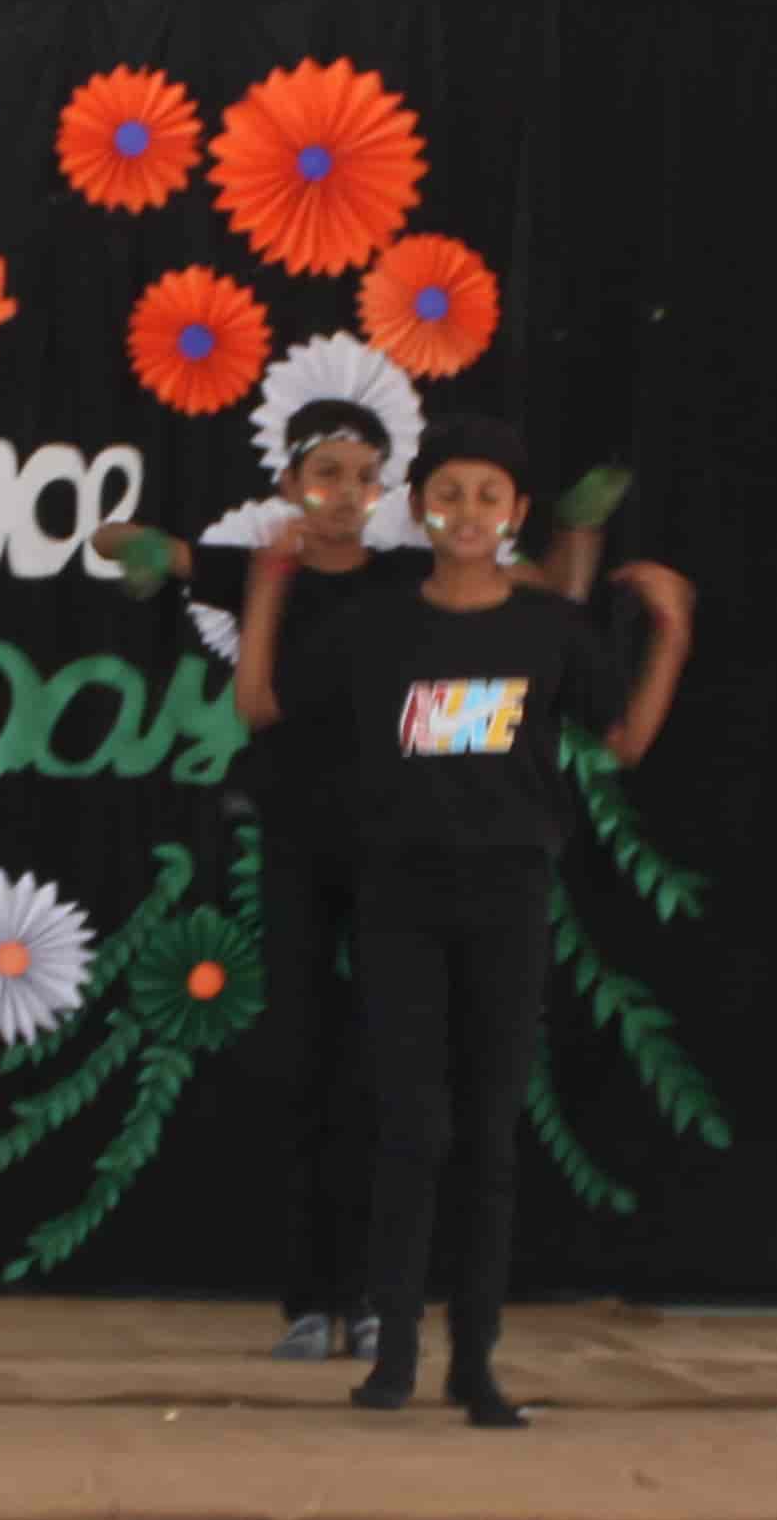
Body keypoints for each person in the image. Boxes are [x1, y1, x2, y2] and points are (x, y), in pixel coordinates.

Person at [98, 404, 605, 1367]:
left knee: (393, 1078)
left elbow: (547, 606)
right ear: (289, 483)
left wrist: (577, 534)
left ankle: (380, 1296)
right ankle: (309, 1298)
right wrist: (168, 557)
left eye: (363, 476)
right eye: (325, 474)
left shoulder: (409, 577)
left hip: (398, 849)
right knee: (307, 1065)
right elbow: (113, 540)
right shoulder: (262, 565)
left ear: (387, 494)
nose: (344, 494)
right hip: (302, 847)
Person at [235, 415, 690, 1426]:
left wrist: (672, 634)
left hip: (508, 899)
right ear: (418, 507)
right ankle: (394, 1352)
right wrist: (267, 588)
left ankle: (474, 1362)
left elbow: (622, 741)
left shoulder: (548, 628)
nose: (469, 511)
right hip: (397, 899)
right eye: (449, 493)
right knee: (413, 1126)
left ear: (517, 512)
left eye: (490, 495)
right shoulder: (375, 626)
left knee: (489, 1135)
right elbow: (263, 705)